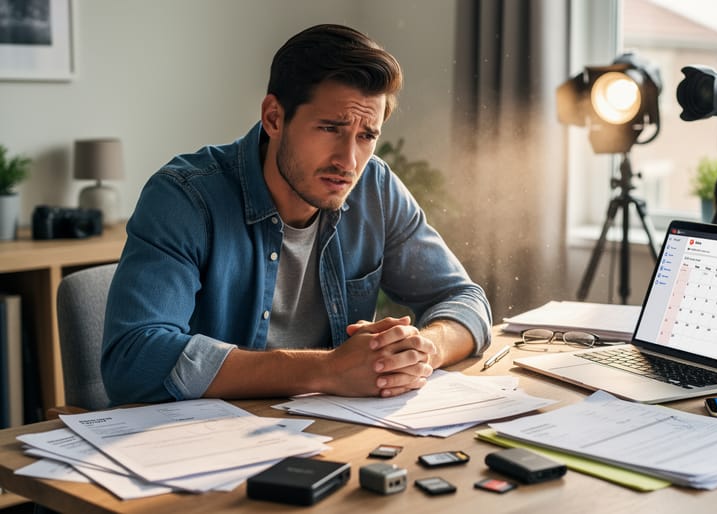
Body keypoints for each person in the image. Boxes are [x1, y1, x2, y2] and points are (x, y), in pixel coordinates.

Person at [101, 24, 492, 406]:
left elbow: (464, 299)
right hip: (201, 448)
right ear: (274, 117)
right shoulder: (184, 197)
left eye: (366, 135)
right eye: (329, 128)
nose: (348, 161)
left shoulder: (376, 188)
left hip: (328, 433)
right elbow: (133, 360)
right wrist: (327, 370)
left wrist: (421, 352)